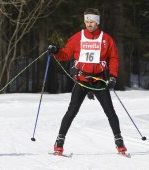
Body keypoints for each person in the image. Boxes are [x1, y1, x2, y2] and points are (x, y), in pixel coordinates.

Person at [48, 8, 127, 155]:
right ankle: (59, 141)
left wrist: (113, 76)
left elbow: (114, 58)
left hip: (99, 80)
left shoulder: (106, 39)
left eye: (91, 21)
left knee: (110, 111)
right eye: (87, 21)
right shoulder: (77, 37)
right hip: (82, 80)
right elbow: (66, 54)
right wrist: (56, 51)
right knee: (72, 111)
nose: (89, 24)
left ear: (97, 22)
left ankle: (119, 141)